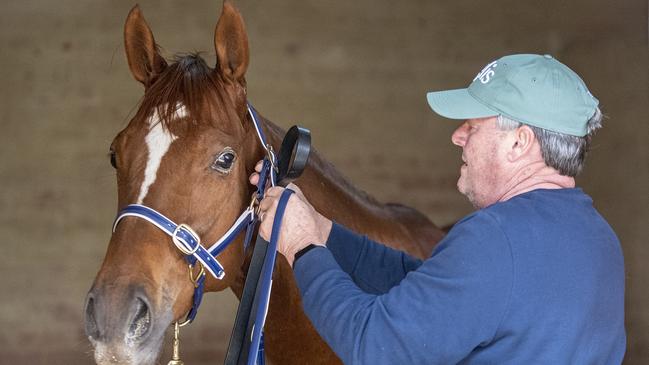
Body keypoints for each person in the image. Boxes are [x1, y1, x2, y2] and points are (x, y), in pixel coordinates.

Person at [250, 54, 626, 364]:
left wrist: (301, 244)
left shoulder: (494, 237)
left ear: (519, 143)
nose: (457, 135)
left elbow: (374, 346)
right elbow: (429, 289)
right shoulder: (600, 239)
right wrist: (321, 228)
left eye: (473, 126)